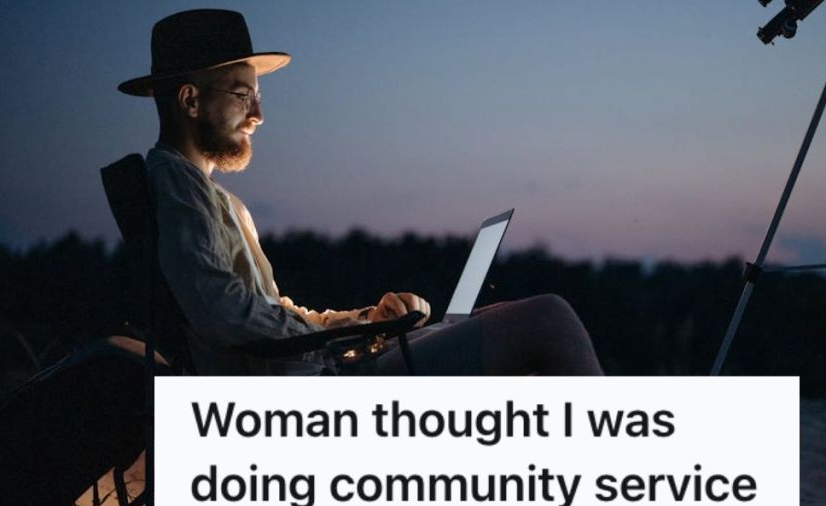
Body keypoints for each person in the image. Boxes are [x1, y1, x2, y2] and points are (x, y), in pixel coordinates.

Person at [118, 9, 602, 376]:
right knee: (547, 319)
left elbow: (266, 313)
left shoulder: (208, 195)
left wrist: (368, 322)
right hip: (304, 396)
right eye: (243, 95)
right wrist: (359, 335)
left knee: (492, 315)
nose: (259, 114)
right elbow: (225, 316)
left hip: (314, 373)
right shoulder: (176, 185)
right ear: (190, 100)